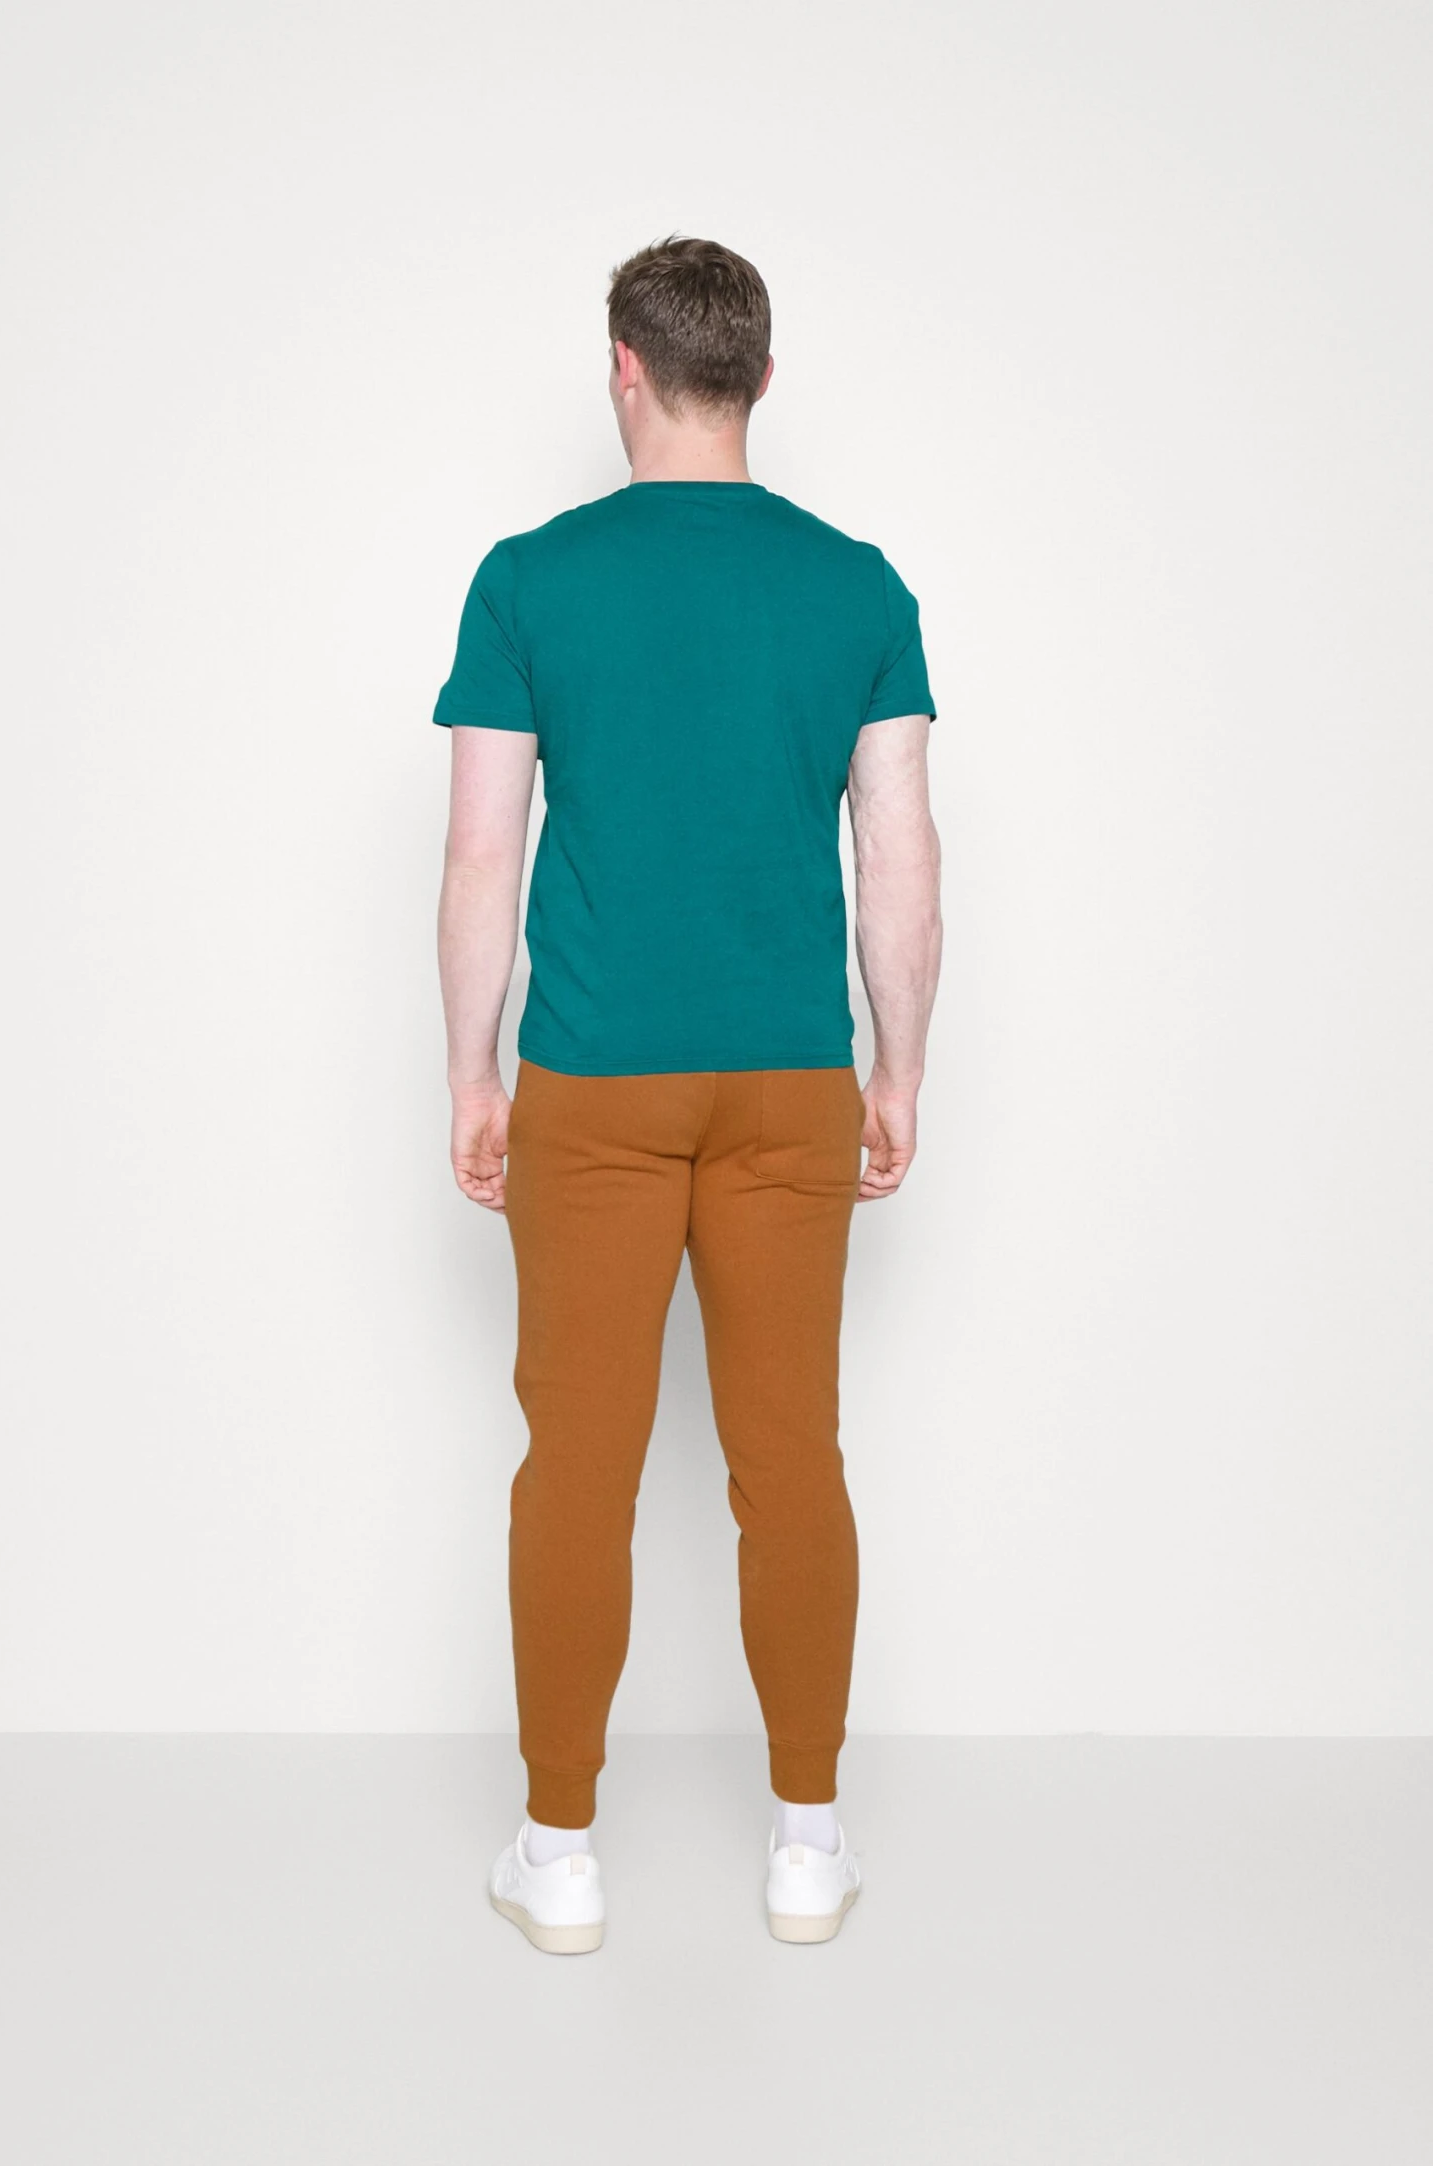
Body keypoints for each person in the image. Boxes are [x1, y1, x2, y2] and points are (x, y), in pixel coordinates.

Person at [432, 235, 942, 1954]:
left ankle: (559, 1854)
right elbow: (903, 860)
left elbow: (482, 853)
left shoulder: (528, 581)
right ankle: (808, 1842)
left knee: (576, 1463)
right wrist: (898, 1068)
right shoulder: (858, 587)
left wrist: (471, 1073)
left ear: (624, 371)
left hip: (592, 1081)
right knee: (791, 1455)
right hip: (793, 1081)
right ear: (762, 380)